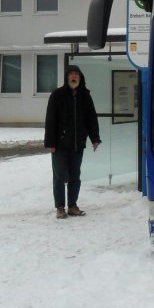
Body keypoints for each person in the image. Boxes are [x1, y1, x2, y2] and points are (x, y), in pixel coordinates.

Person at [44, 64, 101, 219]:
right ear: (67, 77)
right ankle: (60, 207)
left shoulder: (85, 96)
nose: (74, 77)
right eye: (71, 74)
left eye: (76, 74)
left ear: (80, 77)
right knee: (60, 176)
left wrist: (95, 138)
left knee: (75, 176)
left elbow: (91, 119)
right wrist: (50, 143)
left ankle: (73, 206)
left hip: (77, 145)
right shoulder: (57, 95)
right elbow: (50, 120)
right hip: (60, 145)